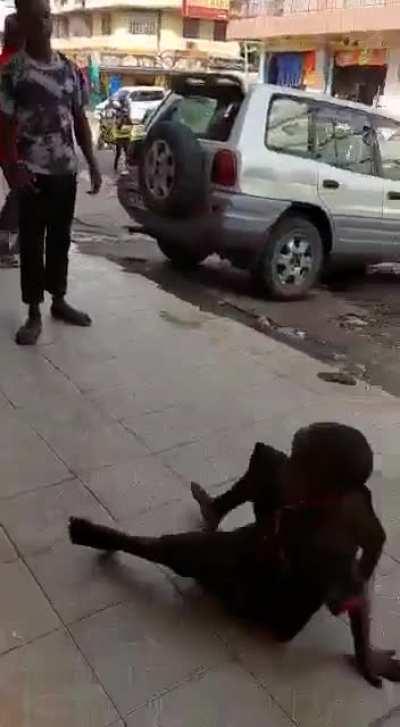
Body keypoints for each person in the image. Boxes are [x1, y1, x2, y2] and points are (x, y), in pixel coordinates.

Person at [69, 422, 400, 688]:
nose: (289, 467)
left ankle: (123, 542)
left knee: (189, 551)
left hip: (272, 589)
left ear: (322, 485)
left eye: (297, 465)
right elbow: (372, 542)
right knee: (269, 462)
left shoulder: (331, 546)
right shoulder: (333, 493)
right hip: (283, 532)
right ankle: (216, 510)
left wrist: (365, 654)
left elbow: (357, 588)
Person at [0, 0, 102, 345]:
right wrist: (13, 169)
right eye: (35, 17)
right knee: (31, 244)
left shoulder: (70, 70)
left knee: (60, 240)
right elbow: (3, 126)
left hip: (65, 172)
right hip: (32, 176)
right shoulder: (13, 71)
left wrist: (91, 162)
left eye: (47, 15)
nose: (44, 22)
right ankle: (32, 312)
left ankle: (58, 300)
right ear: (23, 22)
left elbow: (80, 119)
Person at [0, 13, 24, 268]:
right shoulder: (16, 67)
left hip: (9, 142)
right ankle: (3, 246)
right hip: (11, 143)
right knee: (20, 193)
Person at [113, 100, 132, 172]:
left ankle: (126, 167)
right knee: (118, 153)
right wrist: (121, 121)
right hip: (120, 138)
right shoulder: (118, 118)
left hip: (126, 138)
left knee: (127, 153)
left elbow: (131, 127)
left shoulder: (128, 119)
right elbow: (118, 126)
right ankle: (116, 166)